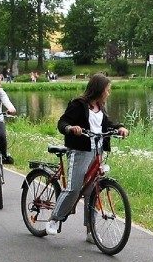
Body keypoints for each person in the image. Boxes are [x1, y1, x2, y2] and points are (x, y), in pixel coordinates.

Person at [46, 73, 129, 241]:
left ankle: (91, 231)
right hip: (80, 151)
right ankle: (54, 219)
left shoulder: (100, 106)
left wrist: (120, 128)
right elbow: (62, 122)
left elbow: (106, 124)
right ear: (99, 90)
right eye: (107, 90)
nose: (108, 93)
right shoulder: (78, 104)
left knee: (93, 189)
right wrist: (71, 128)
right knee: (74, 188)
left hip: (97, 151)